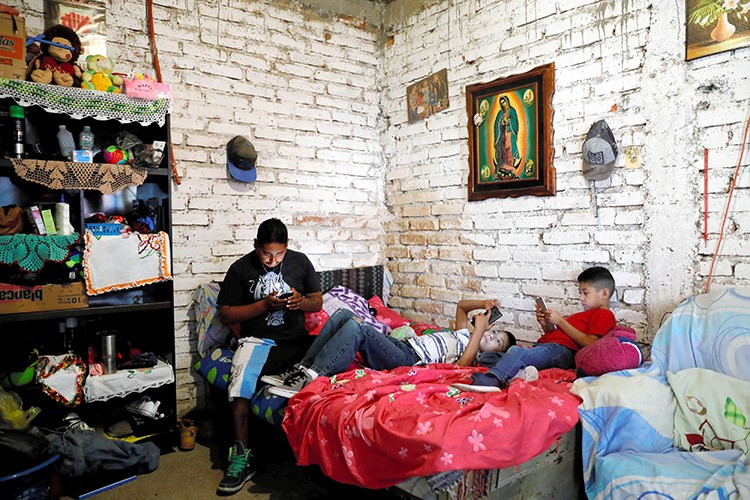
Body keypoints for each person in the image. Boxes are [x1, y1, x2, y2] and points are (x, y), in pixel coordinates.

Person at [215, 218, 322, 495]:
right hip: (258, 341)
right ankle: (241, 458)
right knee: (239, 388)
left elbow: (317, 301)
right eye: (266, 253)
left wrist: (302, 302)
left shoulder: (300, 262)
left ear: (287, 248)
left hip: (296, 343)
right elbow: (226, 313)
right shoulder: (240, 268)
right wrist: (263, 305)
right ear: (255, 246)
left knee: (336, 348)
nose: (273, 260)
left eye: (279, 254)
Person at [262, 298, 517, 398]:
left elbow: (459, 366)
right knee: (342, 314)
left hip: (407, 359)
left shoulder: (473, 357)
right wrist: (482, 304)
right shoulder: (465, 333)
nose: (491, 335)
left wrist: (480, 330)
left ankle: (311, 378)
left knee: (357, 327)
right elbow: (461, 306)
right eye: (494, 331)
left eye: (497, 341)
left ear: (493, 353)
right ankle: (301, 368)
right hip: (401, 345)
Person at [460, 266, 616, 392]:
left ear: (604, 293)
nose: (581, 298)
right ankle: (518, 375)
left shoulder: (604, 314)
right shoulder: (584, 315)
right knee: (491, 357)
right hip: (549, 346)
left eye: (585, 293)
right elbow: (558, 335)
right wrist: (547, 326)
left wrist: (561, 321)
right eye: (580, 293)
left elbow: (589, 342)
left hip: (563, 351)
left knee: (516, 351)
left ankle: (491, 381)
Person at [493, 95, 521, 174]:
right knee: (503, 150)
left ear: (507, 102)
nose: (503, 104)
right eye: (501, 103)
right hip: (502, 135)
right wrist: (501, 122)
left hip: (509, 134)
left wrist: (509, 121)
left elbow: (515, 122)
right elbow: (496, 124)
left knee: (509, 149)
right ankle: (503, 165)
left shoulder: (512, 111)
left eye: (504, 102)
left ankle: (510, 166)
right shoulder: (500, 113)